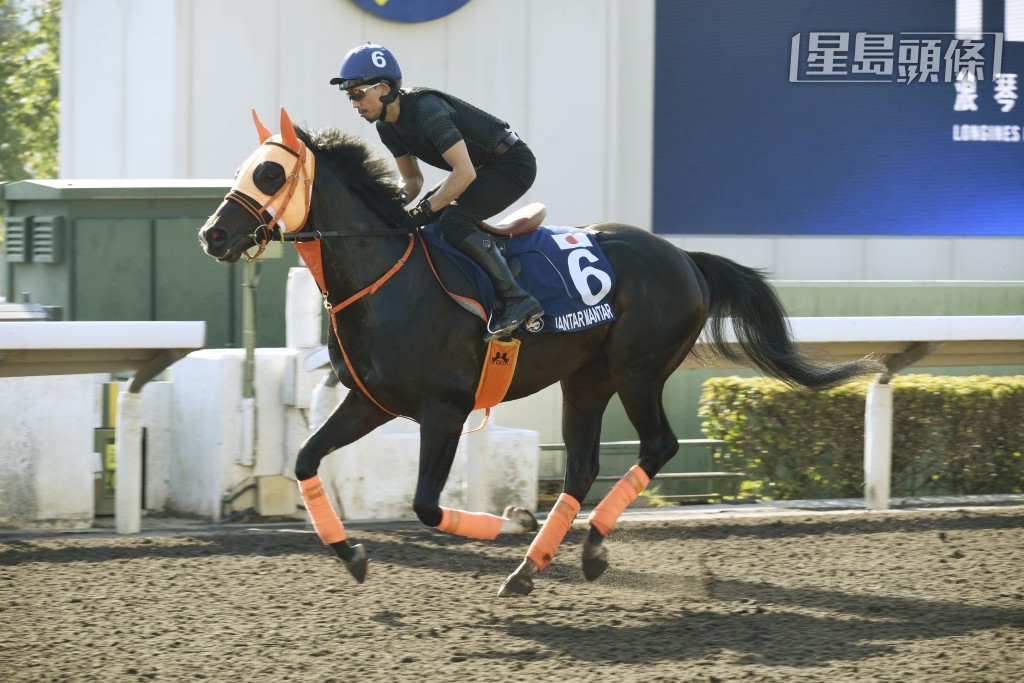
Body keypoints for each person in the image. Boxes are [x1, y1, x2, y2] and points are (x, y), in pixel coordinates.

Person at [331, 42, 544, 342]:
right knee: (426, 222)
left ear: (382, 88)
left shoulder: (427, 110)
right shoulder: (386, 127)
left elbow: (465, 172)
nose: (354, 104)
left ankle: (516, 298)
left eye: (357, 93)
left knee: (454, 221)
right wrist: (393, 207)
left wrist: (424, 210)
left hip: (512, 164)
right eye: (349, 96)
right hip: (482, 167)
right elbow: (413, 180)